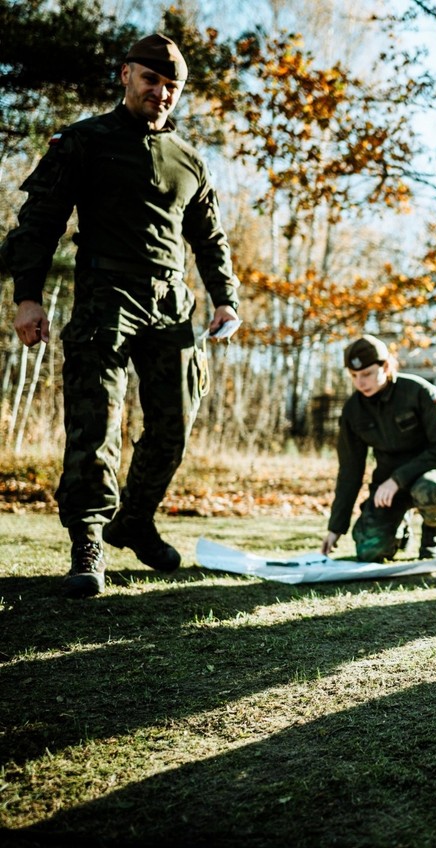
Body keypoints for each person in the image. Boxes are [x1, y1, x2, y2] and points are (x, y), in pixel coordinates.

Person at [0, 34, 241, 598]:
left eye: (172, 86)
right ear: (126, 76)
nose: (161, 93)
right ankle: (88, 541)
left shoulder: (190, 160)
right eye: (151, 80)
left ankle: (134, 521)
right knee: (95, 426)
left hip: (173, 303)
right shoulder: (83, 141)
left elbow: (209, 237)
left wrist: (225, 297)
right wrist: (27, 297)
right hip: (106, 297)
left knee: (174, 426)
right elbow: (40, 221)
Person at [321, 335, 436, 562]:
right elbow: (350, 471)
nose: (360, 382)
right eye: (354, 376)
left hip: (430, 475)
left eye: (367, 374)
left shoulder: (420, 393)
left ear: (385, 366)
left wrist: (398, 479)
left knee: (428, 490)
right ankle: (398, 529)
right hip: (387, 488)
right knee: (369, 550)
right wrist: (336, 528)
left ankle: (432, 533)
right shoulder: (353, 411)